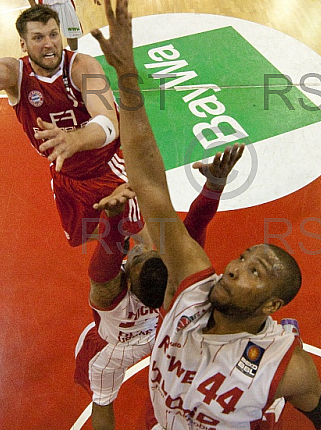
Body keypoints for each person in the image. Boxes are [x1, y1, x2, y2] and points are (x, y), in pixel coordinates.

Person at [91, 0, 321, 429]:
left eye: (256, 271)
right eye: (243, 258)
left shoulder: (286, 367)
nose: (235, 268)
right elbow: (151, 184)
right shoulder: (189, 286)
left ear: (271, 303)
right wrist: (128, 76)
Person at [0, 0, 142, 247]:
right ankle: (114, 263)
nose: (49, 43)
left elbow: (109, 122)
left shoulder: (82, 67)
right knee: (90, 241)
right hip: (67, 176)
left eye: (54, 34)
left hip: (107, 167)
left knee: (141, 236)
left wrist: (74, 139)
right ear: (23, 44)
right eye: (38, 37)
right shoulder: (16, 74)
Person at [75, 145, 244, 430]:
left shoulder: (111, 297)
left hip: (115, 348)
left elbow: (103, 265)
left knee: (102, 399)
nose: (141, 250)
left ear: (128, 281)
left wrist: (115, 217)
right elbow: (195, 226)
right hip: (161, 334)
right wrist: (214, 185)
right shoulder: (177, 285)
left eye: (136, 258)